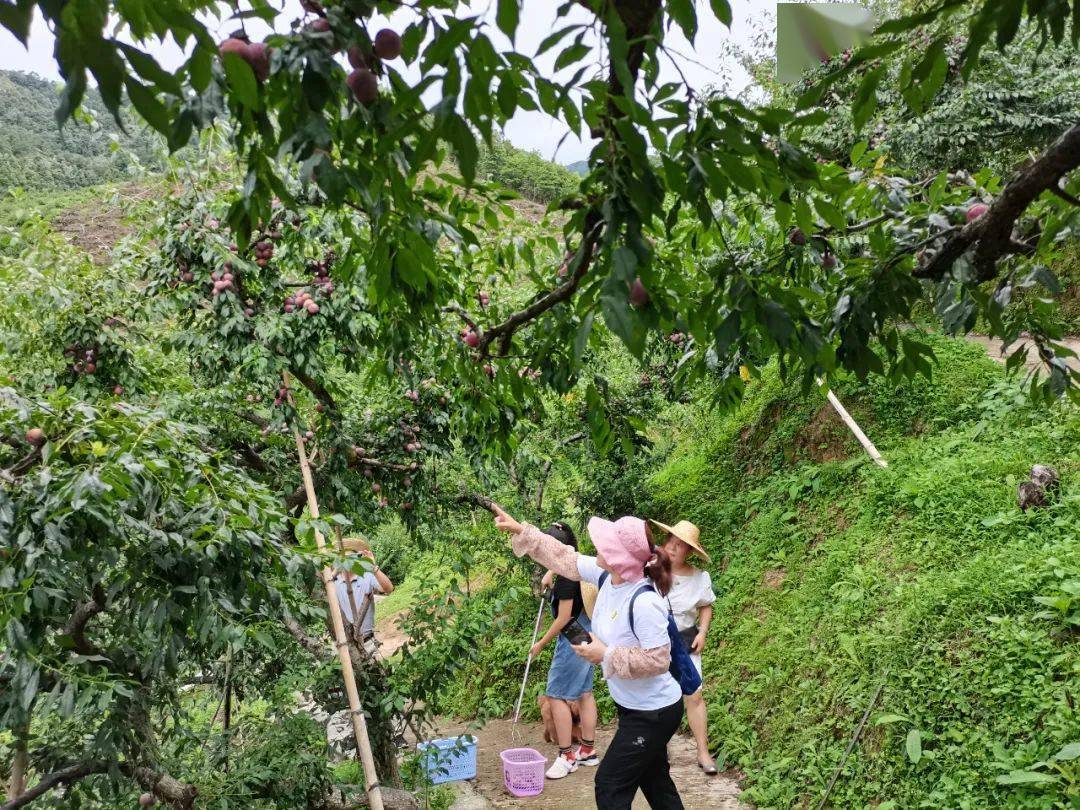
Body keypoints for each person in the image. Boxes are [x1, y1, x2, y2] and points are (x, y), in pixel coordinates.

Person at [491, 503, 685, 810]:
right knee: (655, 781)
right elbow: (564, 557)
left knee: (609, 786)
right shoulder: (609, 577)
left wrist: (605, 654)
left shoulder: (645, 602)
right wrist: (523, 531)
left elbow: (657, 661)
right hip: (635, 707)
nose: (598, 546)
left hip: (653, 714)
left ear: (621, 558)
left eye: (607, 545)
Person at [530, 522, 599, 779]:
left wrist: (540, 643)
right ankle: (588, 751)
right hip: (587, 637)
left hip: (572, 639)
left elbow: (563, 618)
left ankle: (566, 756)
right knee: (585, 693)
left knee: (556, 694)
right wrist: (550, 572)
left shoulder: (567, 580)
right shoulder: (576, 567)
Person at [651, 519, 718, 775]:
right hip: (655, 641)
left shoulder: (700, 578)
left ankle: (702, 751)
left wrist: (703, 631)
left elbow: (706, 606)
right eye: (671, 541)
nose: (673, 548)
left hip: (685, 641)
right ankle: (658, 750)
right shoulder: (651, 569)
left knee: (695, 695)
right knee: (656, 696)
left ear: (690, 551)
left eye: (681, 545)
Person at [334, 537, 394, 652]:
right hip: (344, 645)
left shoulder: (367, 576)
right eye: (343, 558)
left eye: (351, 557)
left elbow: (389, 589)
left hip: (367, 642)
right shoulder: (333, 583)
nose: (347, 562)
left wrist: (373, 567)